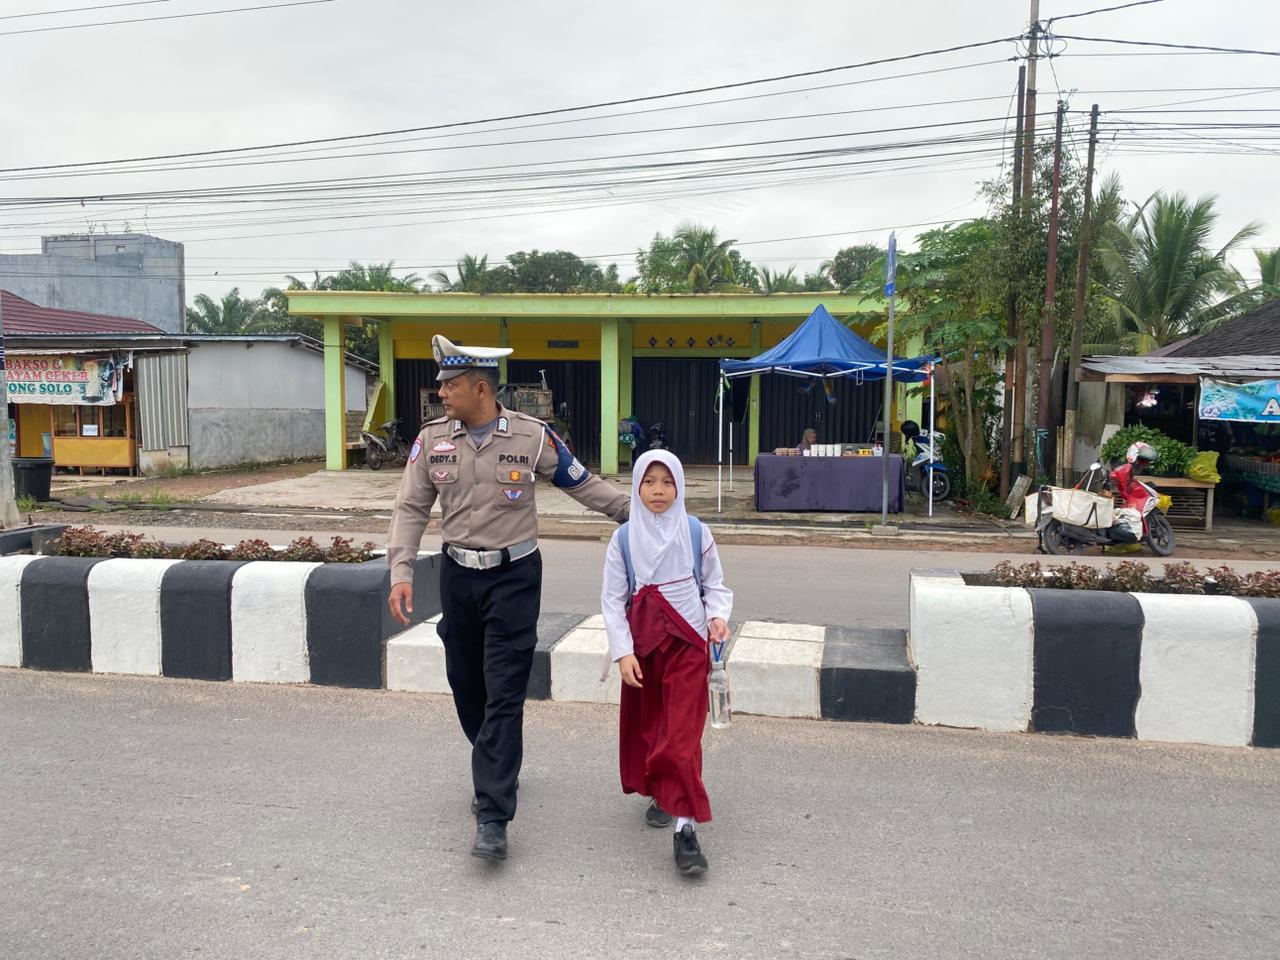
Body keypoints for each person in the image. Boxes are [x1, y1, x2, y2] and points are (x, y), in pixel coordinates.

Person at [386, 335, 629, 863]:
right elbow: (410, 508)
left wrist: (639, 515)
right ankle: (494, 761)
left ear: (479, 388)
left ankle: (493, 812)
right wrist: (400, 570)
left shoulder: (531, 436)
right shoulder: (432, 441)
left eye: (449, 385)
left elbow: (582, 483)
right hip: (458, 576)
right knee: (464, 681)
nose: (440, 393)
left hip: (515, 577)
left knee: (503, 690)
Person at [600, 450, 733, 876]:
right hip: (643, 646)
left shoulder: (696, 532)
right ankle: (662, 789)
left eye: (667, 482)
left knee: (680, 735)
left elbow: (715, 585)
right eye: (649, 482)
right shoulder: (622, 540)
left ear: (679, 487)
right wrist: (622, 652)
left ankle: (686, 830)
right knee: (653, 726)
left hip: (689, 643)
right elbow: (612, 600)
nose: (658, 491)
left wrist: (717, 617)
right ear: (636, 487)